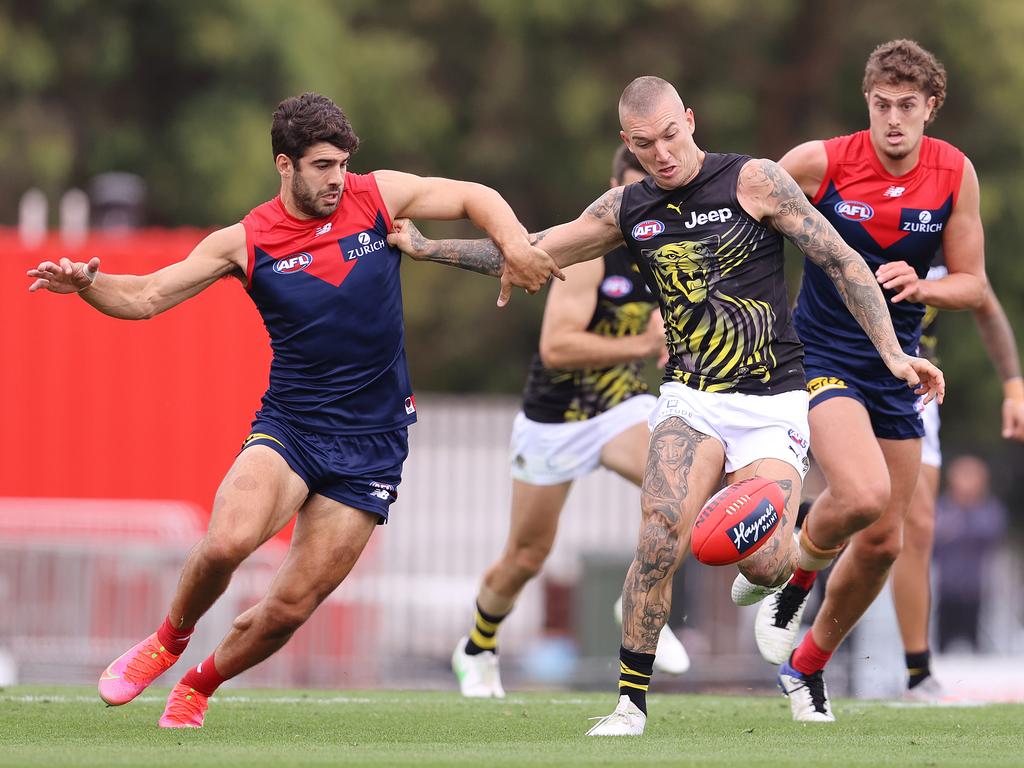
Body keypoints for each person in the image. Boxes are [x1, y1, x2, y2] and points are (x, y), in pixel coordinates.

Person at [389, 75, 943, 736]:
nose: (663, 154)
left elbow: (843, 262)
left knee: (763, 564)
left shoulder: (755, 181)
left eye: (672, 135)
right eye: (646, 144)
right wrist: (428, 249)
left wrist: (890, 352)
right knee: (657, 534)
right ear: (629, 142)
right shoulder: (626, 207)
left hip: (771, 402)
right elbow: (530, 249)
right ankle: (629, 702)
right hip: (691, 398)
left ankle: (783, 577)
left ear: (690, 118)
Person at [26, 92, 561, 729]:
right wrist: (89, 286)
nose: (337, 178)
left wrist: (514, 245)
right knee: (226, 543)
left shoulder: (376, 196)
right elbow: (144, 297)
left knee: (287, 609)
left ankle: (198, 684)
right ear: (286, 165)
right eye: (322, 166)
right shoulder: (244, 240)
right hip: (293, 428)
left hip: (374, 442)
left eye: (342, 164)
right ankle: (168, 641)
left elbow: (475, 195)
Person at [751, 40, 989, 722]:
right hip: (820, 355)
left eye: (907, 107)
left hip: (900, 368)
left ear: (931, 108)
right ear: (868, 103)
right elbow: (745, 209)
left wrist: (925, 286)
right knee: (859, 494)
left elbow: (972, 283)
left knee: (886, 540)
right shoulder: (820, 161)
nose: (893, 120)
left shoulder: (954, 174)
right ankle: (795, 583)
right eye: (882, 105)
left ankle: (807, 668)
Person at [445, 145, 689, 700]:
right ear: (615, 189)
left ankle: (637, 598)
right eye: (636, 187)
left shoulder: (668, 247)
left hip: (621, 408)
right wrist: (645, 341)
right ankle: (478, 646)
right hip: (554, 421)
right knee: (526, 557)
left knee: (680, 490)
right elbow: (556, 347)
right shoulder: (592, 252)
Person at [892, 266, 1024, 701]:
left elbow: (982, 296)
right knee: (863, 504)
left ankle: (918, 673)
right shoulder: (848, 206)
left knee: (915, 529)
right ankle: (800, 566)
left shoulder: (947, 213)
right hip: (844, 377)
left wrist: (1014, 387)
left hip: (916, 390)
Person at [932, 455, 1008, 652]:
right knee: (940, 642)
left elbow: (990, 535)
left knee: (978, 644)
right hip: (942, 590)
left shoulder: (990, 510)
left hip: (978, 591)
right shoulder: (940, 508)